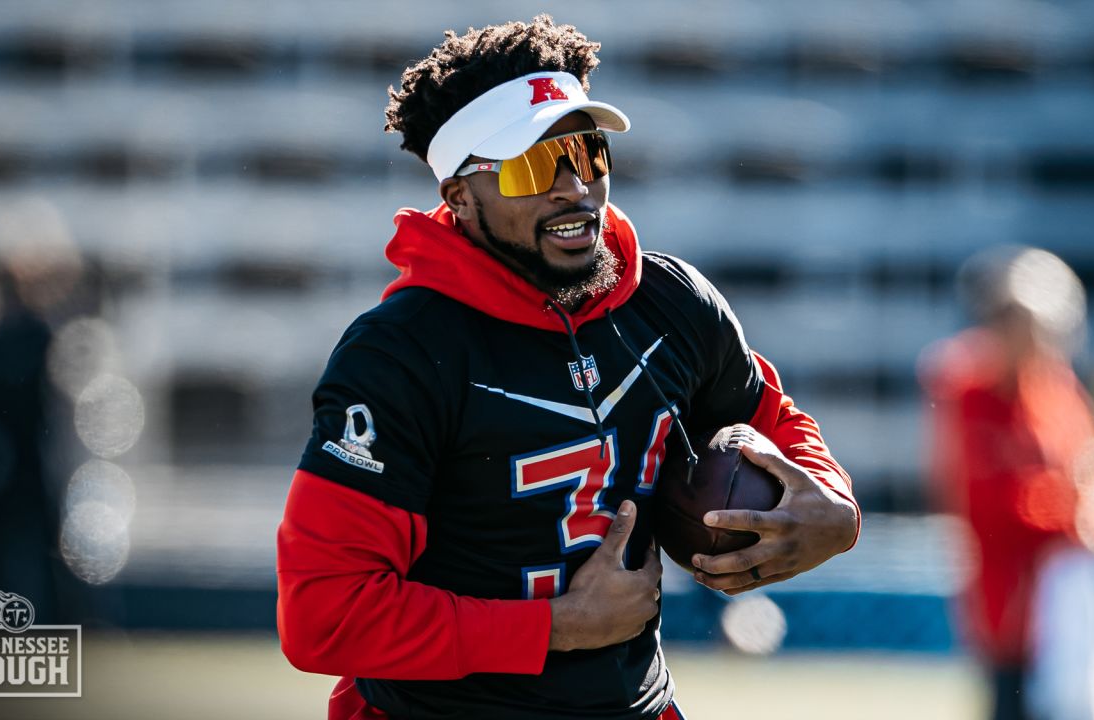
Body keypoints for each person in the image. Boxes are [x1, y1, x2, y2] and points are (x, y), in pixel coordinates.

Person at [276, 16, 859, 720]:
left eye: (586, 154)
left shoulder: (671, 302)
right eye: (530, 167)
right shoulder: (399, 353)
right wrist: (557, 628)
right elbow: (325, 615)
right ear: (460, 197)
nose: (572, 188)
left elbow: (774, 422)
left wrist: (834, 506)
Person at [919, 246, 1094, 720]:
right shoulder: (969, 388)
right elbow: (986, 501)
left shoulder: (1055, 385)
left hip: (1069, 605)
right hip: (1012, 601)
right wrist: (1075, 520)